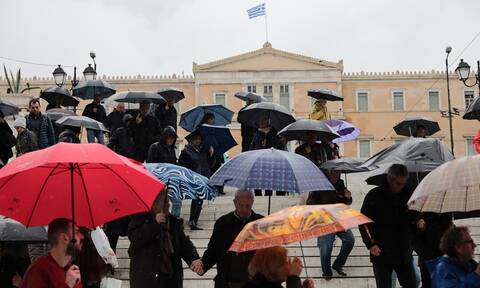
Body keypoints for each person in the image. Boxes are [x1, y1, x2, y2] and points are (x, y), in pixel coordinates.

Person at [128, 190, 202, 288]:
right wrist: (154, 224)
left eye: (168, 201)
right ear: (154, 205)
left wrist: (193, 258)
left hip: (170, 276)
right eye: (165, 202)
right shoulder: (139, 219)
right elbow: (135, 240)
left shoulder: (173, 221)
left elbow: (184, 243)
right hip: (147, 277)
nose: (168, 204)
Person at [359, 164, 417, 288]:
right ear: (390, 180)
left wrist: (417, 221)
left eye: (403, 183)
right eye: (398, 184)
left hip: (404, 252)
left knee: (412, 284)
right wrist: (371, 244)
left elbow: (414, 216)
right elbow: (363, 222)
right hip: (381, 253)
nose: (401, 187)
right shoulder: (374, 195)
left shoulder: (408, 194)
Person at [200, 190, 263, 288]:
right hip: (227, 281)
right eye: (241, 205)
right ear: (234, 202)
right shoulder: (223, 223)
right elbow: (213, 250)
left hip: (253, 282)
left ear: (252, 203)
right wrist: (203, 266)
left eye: (247, 206)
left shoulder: (261, 223)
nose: (244, 210)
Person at [306, 169, 354, 279]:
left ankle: (338, 265)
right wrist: (322, 210)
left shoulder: (340, 184)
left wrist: (348, 197)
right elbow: (309, 203)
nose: (339, 174)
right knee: (326, 246)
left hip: (338, 219)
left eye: (340, 172)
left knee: (350, 240)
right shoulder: (319, 184)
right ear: (330, 172)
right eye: (336, 172)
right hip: (324, 221)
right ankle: (327, 271)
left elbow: (346, 202)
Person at [21, 218, 84, 288]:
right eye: (77, 232)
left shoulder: (70, 269)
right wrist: (68, 285)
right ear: (64, 238)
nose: (82, 237)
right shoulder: (39, 270)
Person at [179, 130, 216, 230]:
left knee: (200, 199)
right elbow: (182, 165)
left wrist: (212, 155)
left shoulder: (204, 151)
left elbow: (211, 164)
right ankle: (192, 221)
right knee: (196, 198)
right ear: (191, 140)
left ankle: (195, 221)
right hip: (193, 177)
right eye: (195, 139)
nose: (197, 141)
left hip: (204, 177)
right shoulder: (186, 151)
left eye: (199, 139)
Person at [243, 246, 315, 288]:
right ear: (272, 268)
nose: (289, 266)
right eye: (285, 263)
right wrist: (293, 278)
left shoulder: (257, 282)